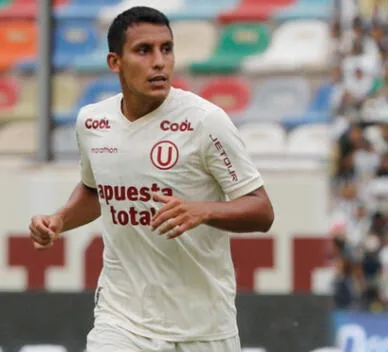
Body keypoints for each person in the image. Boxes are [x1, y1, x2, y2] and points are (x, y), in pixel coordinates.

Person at [27, 6, 274, 352]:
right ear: (115, 62)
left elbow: (261, 210)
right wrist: (59, 220)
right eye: (144, 50)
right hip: (121, 321)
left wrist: (203, 211)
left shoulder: (206, 122)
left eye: (167, 49)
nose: (159, 61)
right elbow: (95, 191)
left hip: (202, 329)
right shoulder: (93, 122)